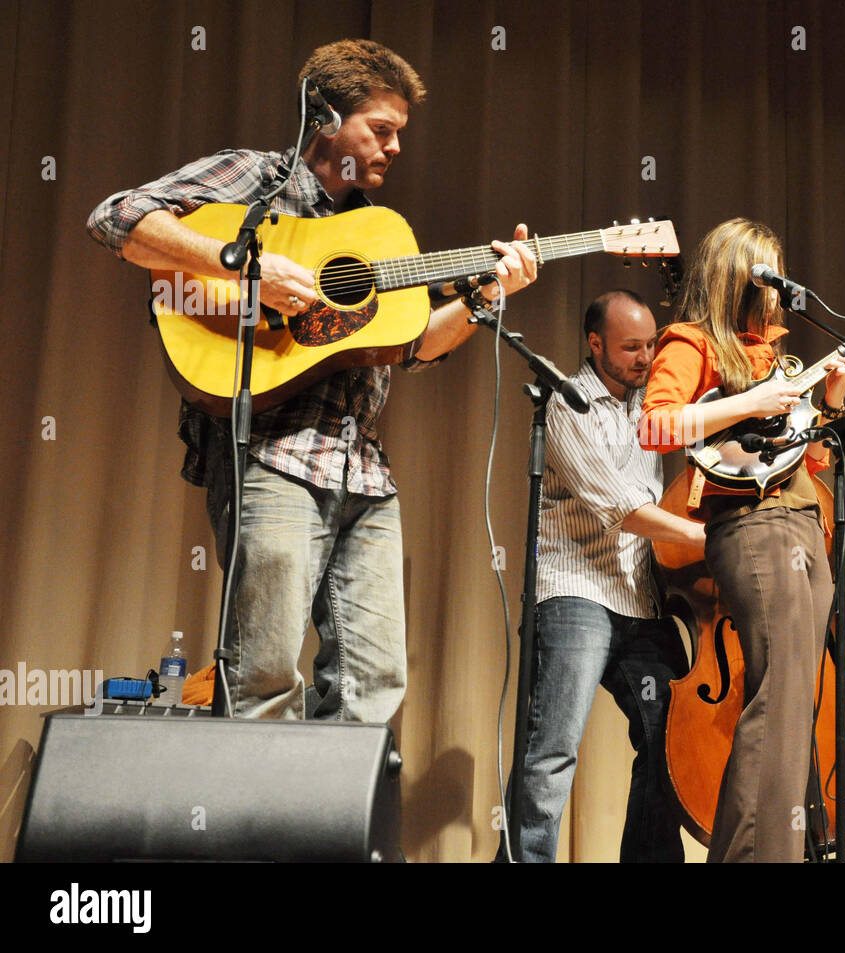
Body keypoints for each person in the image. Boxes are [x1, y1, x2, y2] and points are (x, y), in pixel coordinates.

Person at [86, 39, 538, 722]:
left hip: (364, 474)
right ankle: (258, 830)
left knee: (374, 685)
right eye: (380, 130)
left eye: (398, 135)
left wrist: (485, 298)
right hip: (273, 458)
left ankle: (332, 830)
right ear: (326, 118)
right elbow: (116, 216)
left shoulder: (373, 232)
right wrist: (241, 265)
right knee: (265, 675)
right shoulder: (258, 177)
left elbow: (411, 346)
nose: (392, 148)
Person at [639, 218, 845, 862]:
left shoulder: (774, 356)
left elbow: (810, 460)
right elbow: (656, 429)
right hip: (753, 529)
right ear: (736, 278)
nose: (777, 292)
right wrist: (749, 402)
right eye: (766, 275)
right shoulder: (692, 342)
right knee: (778, 699)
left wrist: (834, 403)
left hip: (801, 526)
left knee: (796, 702)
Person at [505, 289, 705, 863]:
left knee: (669, 739)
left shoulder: (652, 404)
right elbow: (617, 505)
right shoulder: (568, 404)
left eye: (651, 345)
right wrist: (698, 537)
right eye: (631, 348)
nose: (646, 358)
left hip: (641, 599)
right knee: (553, 748)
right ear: (596, 345)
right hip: (576, 592)